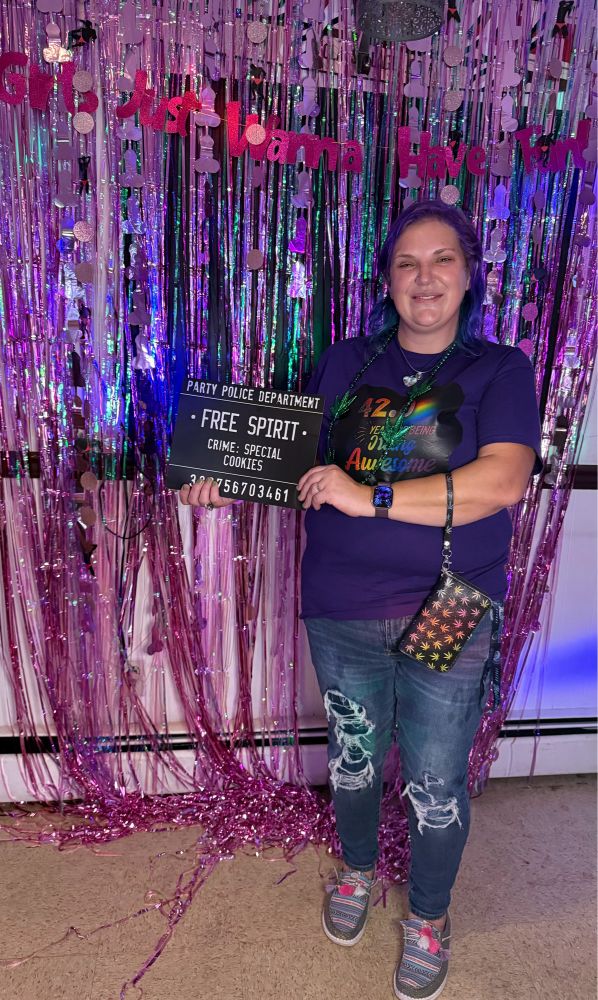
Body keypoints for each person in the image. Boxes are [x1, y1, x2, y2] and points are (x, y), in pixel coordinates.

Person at [179, 199, 542, 1000]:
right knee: (353, 759)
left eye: (442, 260)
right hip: (341, 603)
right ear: (386, 279)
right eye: (407, 263)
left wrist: (369, 496)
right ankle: (356, 870)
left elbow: (502, 482)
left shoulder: (500, 369)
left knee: (436, 779)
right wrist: (227, 483)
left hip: (449, 604)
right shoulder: (345, 363)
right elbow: (301, 471)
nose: (425, 278)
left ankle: (429, 917)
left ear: (469, 275)